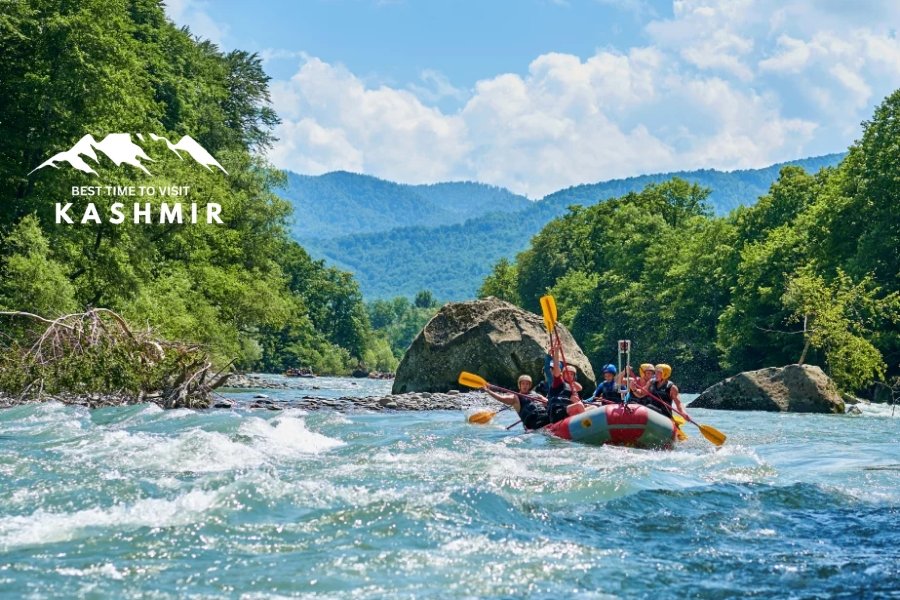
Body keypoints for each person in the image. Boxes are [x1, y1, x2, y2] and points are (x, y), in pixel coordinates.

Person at [482, 374, 549, 430]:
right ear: (519, 385)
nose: (525, 386)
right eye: (523, 384)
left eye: (527, 384)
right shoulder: (515, 398)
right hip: (533, 422)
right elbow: (501, 398)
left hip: (545, 417)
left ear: (530, 385)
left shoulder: (536, 395)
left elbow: (548, 402)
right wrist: (488, 391)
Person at [547, 344, 584, 422]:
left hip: (567, 410)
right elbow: (556, 369)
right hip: (557, 411)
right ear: (562, 375)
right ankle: (587, 426)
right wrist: (556, 351)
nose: (569, 376)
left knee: (593, 408)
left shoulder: (572, 387)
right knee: (579, 405)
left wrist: (574, 399)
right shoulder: (558, 382)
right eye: (567, 374)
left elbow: (580, 388)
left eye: (571, 374)